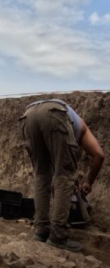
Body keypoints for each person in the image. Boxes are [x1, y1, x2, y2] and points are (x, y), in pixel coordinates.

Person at [20, 99, 104, 252]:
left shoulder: (70, 122)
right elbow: (99, 155)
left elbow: (49, 170)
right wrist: (89, 183)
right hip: (54, 113)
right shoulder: (83, 129)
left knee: (41, 175)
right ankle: (58, 235)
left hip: (28, 115)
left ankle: (41, 230)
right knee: (65, 176)